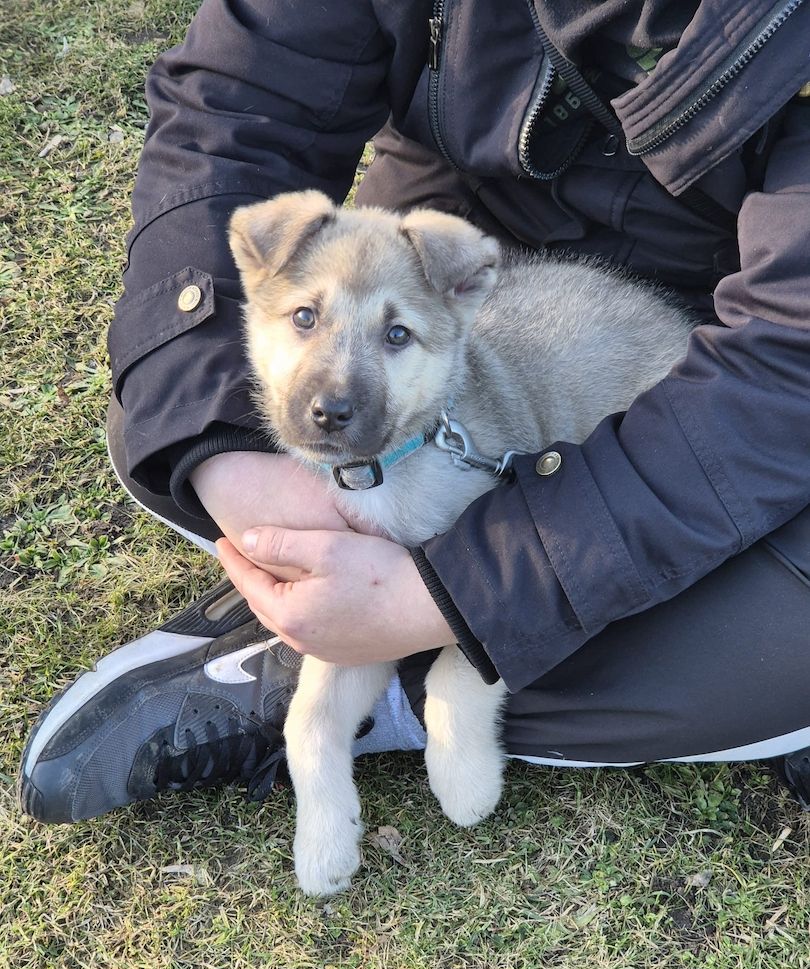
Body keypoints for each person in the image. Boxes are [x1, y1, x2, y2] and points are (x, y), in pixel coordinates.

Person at [18, 0, 810, 824]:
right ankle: (330, 601)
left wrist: (453, 599)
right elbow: (235, 102)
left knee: (789, 648)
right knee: (170, 412)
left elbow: (789, 364)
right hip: (439, 267)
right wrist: (234, 462)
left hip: (717, 337)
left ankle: (352, 675)